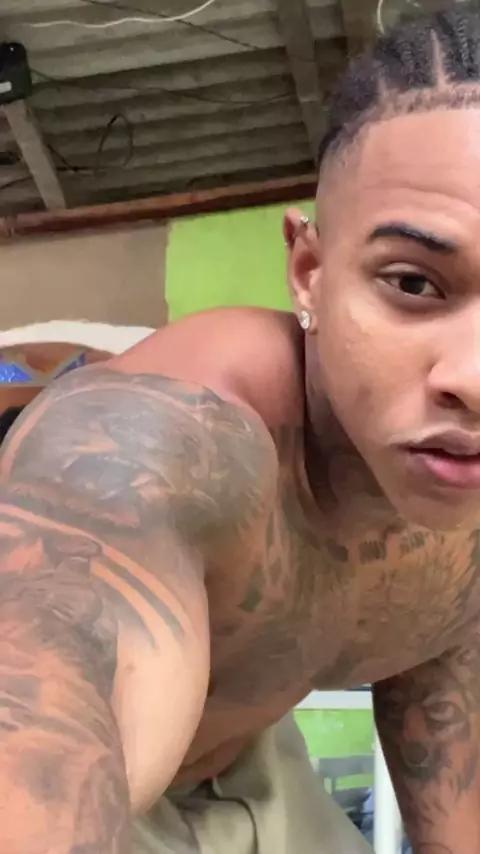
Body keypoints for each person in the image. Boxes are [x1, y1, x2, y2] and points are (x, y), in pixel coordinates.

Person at [2, 6, 480, 852]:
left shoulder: (445, 476)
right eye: (413, 284)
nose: (471, 381)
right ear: (309, 271)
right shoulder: (154, 448)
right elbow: (44, 727)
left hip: (257, 770)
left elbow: (438, 675)